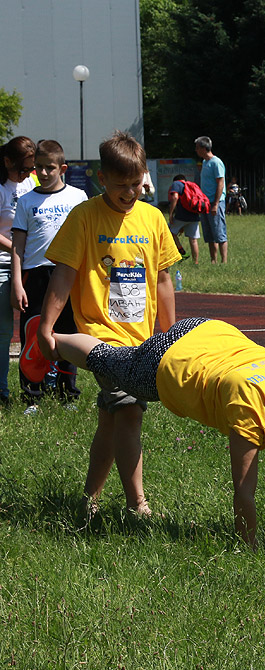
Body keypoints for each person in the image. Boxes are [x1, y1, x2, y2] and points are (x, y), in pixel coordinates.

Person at [46, 318, 265, 549]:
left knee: (121, 359)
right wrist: (250, 549)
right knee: (110, 360)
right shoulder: (252, 404)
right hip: (170, 360)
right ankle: (51, 341)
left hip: (209, 330)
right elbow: (244, 492)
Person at [35, 131, 180, 519]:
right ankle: (138, 506)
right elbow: (63, 275)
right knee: (130, 410)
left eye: (137, 184)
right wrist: (45, 326)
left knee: (111, 419)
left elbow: (163, 280)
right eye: (121, 185)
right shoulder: (84, 217)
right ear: (103, 180)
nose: (131, 193)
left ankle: (88, 501)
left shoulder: (152, 218)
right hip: (100, 336)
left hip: (144, 339)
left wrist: (171, 335)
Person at [10, 139, 89, 409]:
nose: (43, 173)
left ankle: (68, 394)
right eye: (38, 168)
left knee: (67, 333)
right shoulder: (26, 201)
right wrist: (17, 283)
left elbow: (86, 243)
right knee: (33, 333)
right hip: (35, 274)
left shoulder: (78, 198)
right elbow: (18, 247)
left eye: (50, 168)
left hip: (68, 274)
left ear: (62, 168)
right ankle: (32, 395)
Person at [0, 136, 37, 408]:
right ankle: (2, 391)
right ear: (7, 161)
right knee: (3, 332)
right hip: (3, 263)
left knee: (37, 327)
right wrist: (17, 248)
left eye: (29, 169)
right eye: (21, 170)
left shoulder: (31, 182)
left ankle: (41, 386)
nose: (26, 175)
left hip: (31, 264)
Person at [195, 135, 227, 264]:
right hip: (204, 203)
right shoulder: (204, 162)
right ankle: (213, 260)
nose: (196, 150)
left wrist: (215, 204)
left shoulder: (216, 162)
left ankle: (224, 262)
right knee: (209, 235)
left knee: (219, 233)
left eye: (197, 148)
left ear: (203, 148)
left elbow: (220, 183)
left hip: (215, 203)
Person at [167, 173, 201, 265]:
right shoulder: (191, 186)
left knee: (168, 233)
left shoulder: (176, 183)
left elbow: (175, 197)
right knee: (193, 240)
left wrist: (171, 214)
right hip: (194, 216)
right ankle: (196, 262)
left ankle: (181, 252)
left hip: (181, 216)